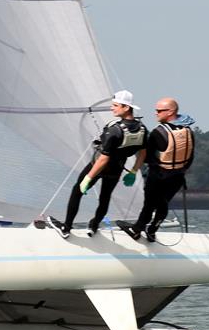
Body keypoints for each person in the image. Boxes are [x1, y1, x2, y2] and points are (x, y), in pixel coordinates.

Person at [47, 90, 147, 239]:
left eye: (115, 105)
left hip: (99, 166)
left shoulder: (115, 130)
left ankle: (66, 227)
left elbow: (103, 159)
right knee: (105, 198)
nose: (112, 108)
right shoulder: (142, 129)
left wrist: (88, 178)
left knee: (77, 191)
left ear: (126, 107)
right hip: (117, 169)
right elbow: (143, 153)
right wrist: (133, 171)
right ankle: (94, 225)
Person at [117, 97, 195, 242]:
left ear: (170, 112)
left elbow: (146, 157)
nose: (156, 113)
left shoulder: (158, 132)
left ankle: (136, 230)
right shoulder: (188, 130)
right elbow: (190, 156)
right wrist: (180, 169)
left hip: (158, 176)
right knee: (163, 203)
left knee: (150, 204)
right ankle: (152, 230)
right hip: (177, 177)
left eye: (159, 111)